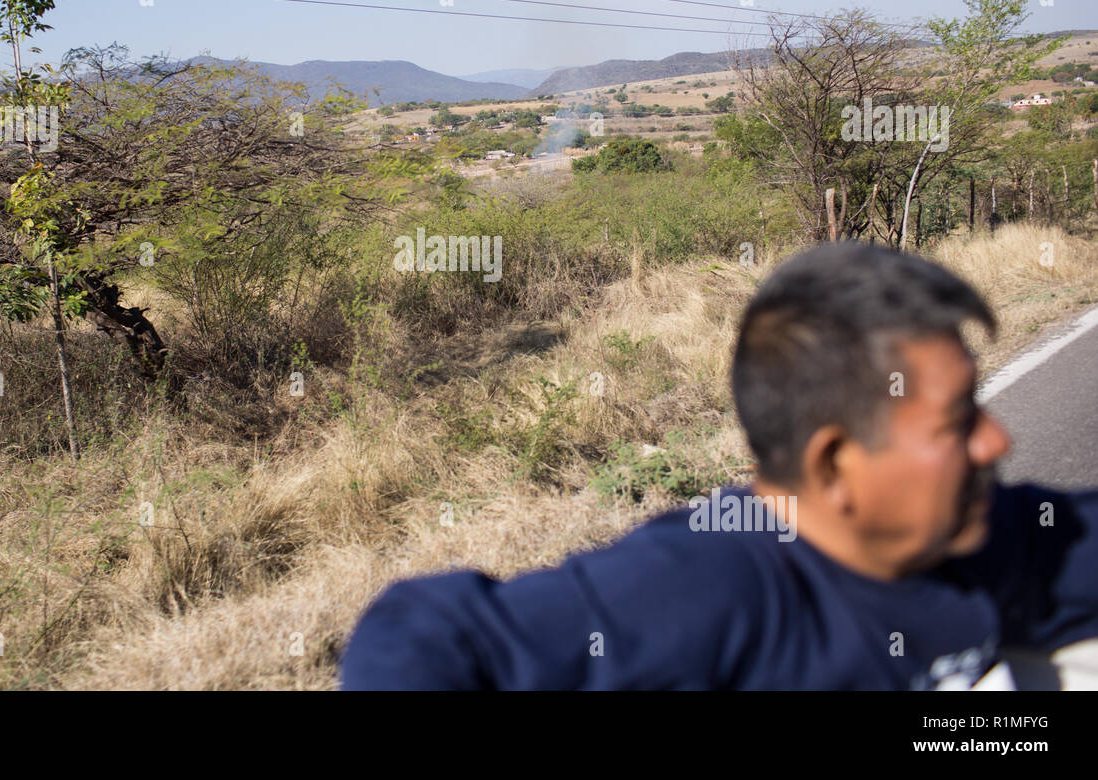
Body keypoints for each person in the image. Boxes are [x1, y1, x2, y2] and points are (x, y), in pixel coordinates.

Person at [340, 240, 1098, 690]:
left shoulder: (997, 540)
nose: (996, 442)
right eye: (958, 422)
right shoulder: (711, 584)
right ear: (832, 464)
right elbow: (422, 638)